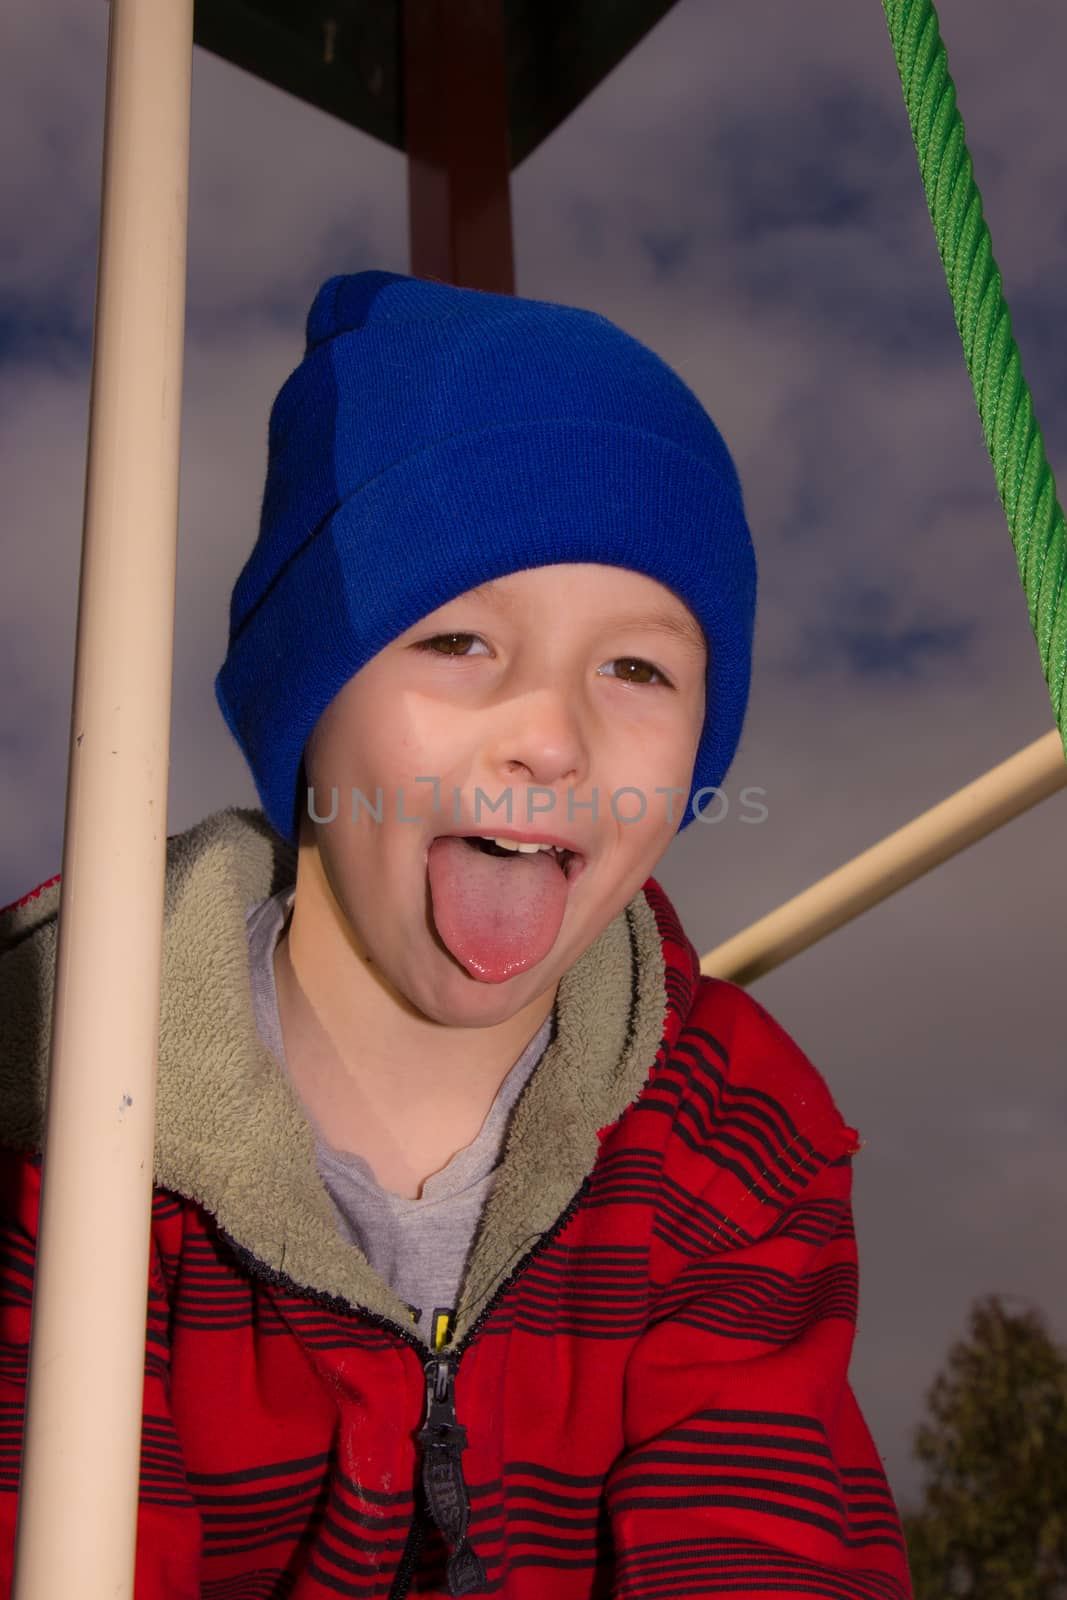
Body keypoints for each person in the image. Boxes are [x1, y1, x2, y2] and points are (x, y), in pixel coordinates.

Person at [0, 270, 914, 1598]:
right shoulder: (58, 1095)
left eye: (639, 669)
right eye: (458, 639)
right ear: (309, 701)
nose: (551, 736)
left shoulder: (732, 1133)